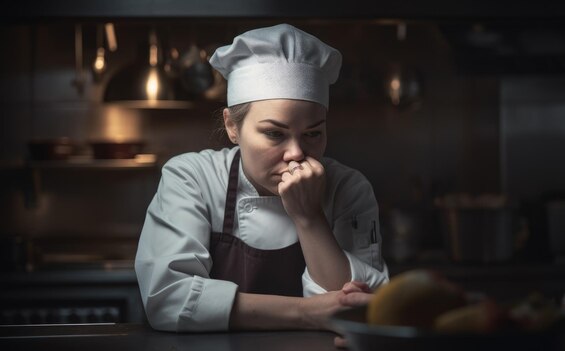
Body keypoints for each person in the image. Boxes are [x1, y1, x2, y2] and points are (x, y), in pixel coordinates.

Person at [134, 23, 389, 337]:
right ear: (232, 127)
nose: (296, 153)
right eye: (274, 134)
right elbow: (168, 300)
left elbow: (357, 309)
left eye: (313, 133)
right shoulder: (193, 178)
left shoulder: (348, 189)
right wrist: (304, 312)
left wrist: (309, 217)